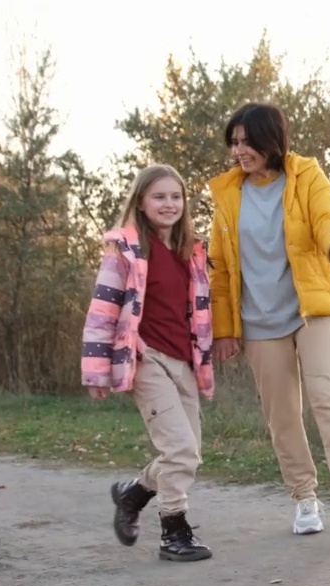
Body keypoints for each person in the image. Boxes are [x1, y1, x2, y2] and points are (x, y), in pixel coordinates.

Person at [206, 102, 330, 536]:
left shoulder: (305, 175)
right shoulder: (227, 195)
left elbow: (326, 216)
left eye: (248, 142)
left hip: (312, 308)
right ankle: (304, 499)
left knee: (325, 391)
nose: (239, 151)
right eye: (235, 142)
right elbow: (220, 270)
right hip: (259, 320)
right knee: (281, 413)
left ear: (270, 141)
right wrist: (224, 329)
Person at [81, 164, 215, 562]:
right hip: (145, 359)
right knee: (180, 451)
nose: (169, 204)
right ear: (141, 201)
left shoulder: (191, 251)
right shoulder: (125, 249)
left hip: (184, 361)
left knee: (187, 453)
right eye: (159, 196)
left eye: (176, 197)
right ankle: (173, 531)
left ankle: (132, 493)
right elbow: (102, 311)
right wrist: (97, 370)